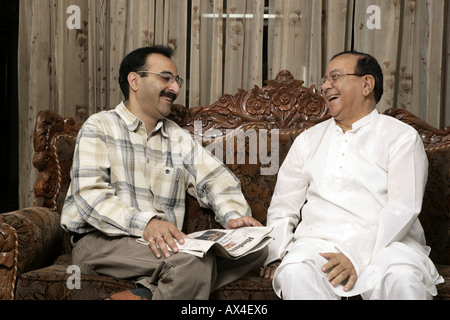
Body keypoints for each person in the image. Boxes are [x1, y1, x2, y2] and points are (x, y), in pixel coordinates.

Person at [61, 45, 267, 300]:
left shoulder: (177, 137)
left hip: (162, 247)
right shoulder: (100, 126)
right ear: (134, 80)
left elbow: (216, 180)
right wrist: (146, 223)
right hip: (102, 241)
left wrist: (234, 217)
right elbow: (89, 196)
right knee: (192, 263)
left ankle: (143, 293)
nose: (175, 89)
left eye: (176, 81)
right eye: (166, 78)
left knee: (258, 251)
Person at [259, 51, 444, 300]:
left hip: (387, 245)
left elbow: (403, 208)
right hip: (318, 244)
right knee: (294, 271)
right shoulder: (308, 140)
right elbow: (283, 206)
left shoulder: (401, 137)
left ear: (367, 84)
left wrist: (357, 255)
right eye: (324, 79)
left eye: (334, 77)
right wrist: (277, 254)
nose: (325, 86)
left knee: (402, 276)